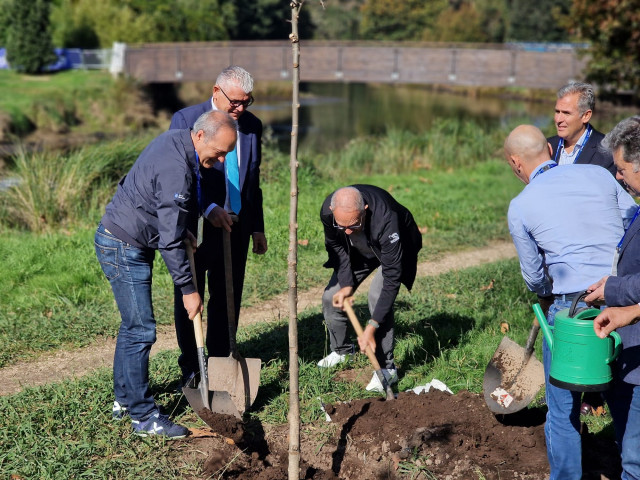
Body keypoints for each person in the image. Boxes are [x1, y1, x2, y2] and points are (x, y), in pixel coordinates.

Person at [94, 110, 237, 439]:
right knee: (142, 330)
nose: (219, 161)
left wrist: (181, 230)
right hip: (123, 245)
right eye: (219, 152)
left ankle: (124, 401)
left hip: (129, 236)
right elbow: (170, 240)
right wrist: (189, 289)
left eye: (226, 154)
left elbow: (161, 207)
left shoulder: (177, 141)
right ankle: (144, 418)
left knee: (133, 326)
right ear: (200, 136)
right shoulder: (177, 167)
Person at [504, 124, 636, 479]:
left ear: (516, 163)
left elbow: (534, 277)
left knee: (562, 408)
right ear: (549, 148)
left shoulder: (521, 206)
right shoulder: (597, 174)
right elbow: (631, 219)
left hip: (570, 309)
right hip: (621, 300)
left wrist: (548, 294)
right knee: (624, 396)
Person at [169, 66, 266, 385]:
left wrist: (256, 226)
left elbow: (252, 179)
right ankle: (193, 367)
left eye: (246, 102)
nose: (240, 109)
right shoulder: (186, 120)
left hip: (234, 226)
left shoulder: (252, 126)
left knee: (228, 297)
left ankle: (222, 361)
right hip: (196, 226)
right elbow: (179, 174)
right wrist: (207, 207)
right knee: (190, 295)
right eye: (235, 102)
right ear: (215, 92)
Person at [317, 185, 422, 393]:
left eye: (353, 224)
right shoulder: (329, 213)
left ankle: (386, 368)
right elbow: (336, 247)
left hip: (394, 250)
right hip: (359, 250)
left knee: (377, 295)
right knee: (331, 296)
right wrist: (346, 284)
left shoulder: (386, 218)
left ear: (365, 209)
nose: (346, 231)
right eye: (342, 226)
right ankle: (343, 351)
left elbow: (391, 278)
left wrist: (372, 326)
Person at [584, 116, 640, 480]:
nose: (618, 177)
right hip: (630, 348)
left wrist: (614, 290)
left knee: (635, 461)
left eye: (621, 169)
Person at [547, 81, 616, 176]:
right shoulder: (546, 146)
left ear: (586, 116)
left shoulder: (608, 152)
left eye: (566, 113)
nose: (558, 119)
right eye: (557, 112)